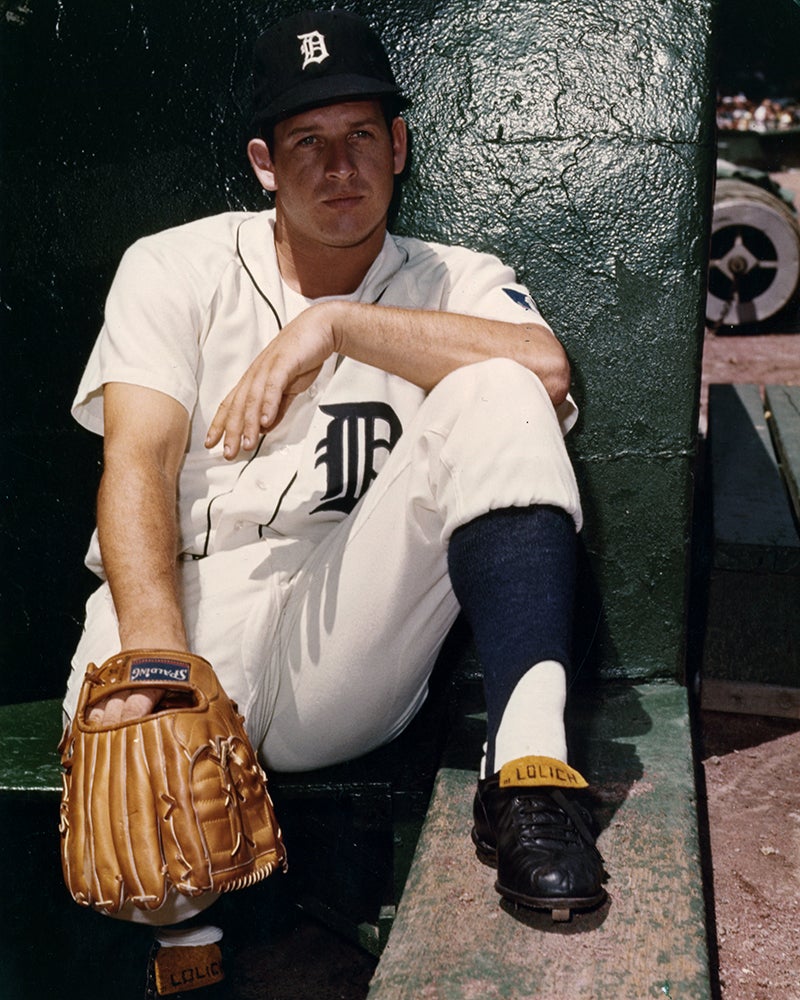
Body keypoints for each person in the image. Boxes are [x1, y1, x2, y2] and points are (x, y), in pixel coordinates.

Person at [63, 9, 606, 995]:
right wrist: (155, 653)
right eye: (307, 143)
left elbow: (545, 365)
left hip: (347, 623)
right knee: (139, 832)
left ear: (397, 147)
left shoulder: (452, 278)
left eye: (360, 135)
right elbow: (135, 461)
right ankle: (189, 952)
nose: (338, 166)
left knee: (497, 383)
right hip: (186, 605)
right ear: (265, 163)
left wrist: (339, 326)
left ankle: (528, 774)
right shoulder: (171, 266)